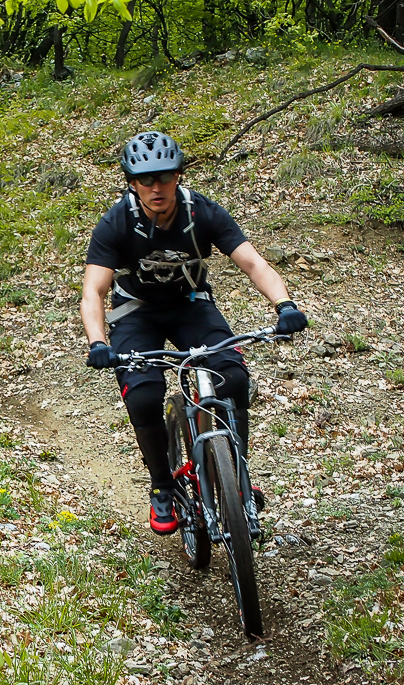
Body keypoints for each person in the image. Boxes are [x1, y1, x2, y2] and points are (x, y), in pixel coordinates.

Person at [80, 131, 308, 534]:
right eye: (145, 180)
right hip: (136, 314)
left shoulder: (201, 212)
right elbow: (93, 291)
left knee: (232, 378)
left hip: (191, 306)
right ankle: (162, 485)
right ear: (132, 184)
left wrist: (284, 304)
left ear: (178, 176)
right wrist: (98, 341)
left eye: (164, 177)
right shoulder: (117, 222)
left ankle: (236, 472)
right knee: (143, 395)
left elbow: (253, 263)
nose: (156, 187)